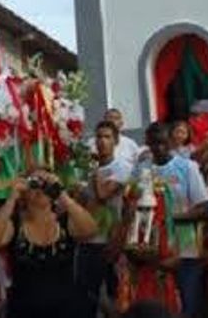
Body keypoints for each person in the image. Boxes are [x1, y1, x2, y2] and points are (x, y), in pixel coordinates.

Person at [0, 169, 98, 318]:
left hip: (67, 310)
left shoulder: (64, 222)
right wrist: (11, 199)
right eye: (34, 183)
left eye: (45, 184)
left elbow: (90, 230)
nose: (40, 189)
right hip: (24, 311)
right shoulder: (16, 224)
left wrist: (62, 195)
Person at [131, 122, 208, 318]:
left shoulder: (187, 167)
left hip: (184, 247)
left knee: (187, 304)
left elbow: (203, 207)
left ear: (171, 142)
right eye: (154, 144)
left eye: (163, 143)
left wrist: (169, 218)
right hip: (152, 250)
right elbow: (132, 206)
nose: (159, 148)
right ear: (147, 143)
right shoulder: (141, 170)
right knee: (155, 306)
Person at [79, 120, 133, 318]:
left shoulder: (123, 168)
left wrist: (94, 173)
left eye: (107, 137)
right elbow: (81, 201)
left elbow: (102, 195)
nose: (101, 141)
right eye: (99, 137)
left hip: (111, 241)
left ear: (116, 140)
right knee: (87, 295)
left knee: (113, 295)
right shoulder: (86, 169)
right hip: (87, 241)